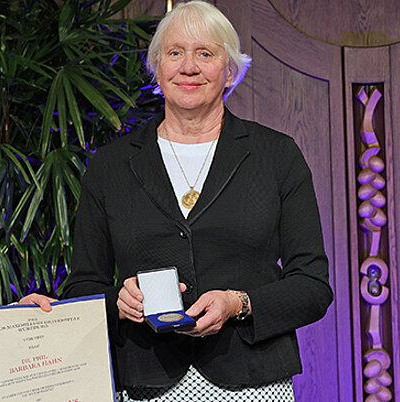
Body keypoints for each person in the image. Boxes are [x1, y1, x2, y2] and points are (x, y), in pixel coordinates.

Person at [21, 1, 332, 401]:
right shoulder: (111, 166)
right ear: (157, 68)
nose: (189, 67)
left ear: (229, 70)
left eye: (205, 53)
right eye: (174, 53)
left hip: (252, 381)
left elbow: (312, 286)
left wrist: (239, 303)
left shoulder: (276, 155)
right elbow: (85, 283)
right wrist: (118, 300)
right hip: (146, 383)